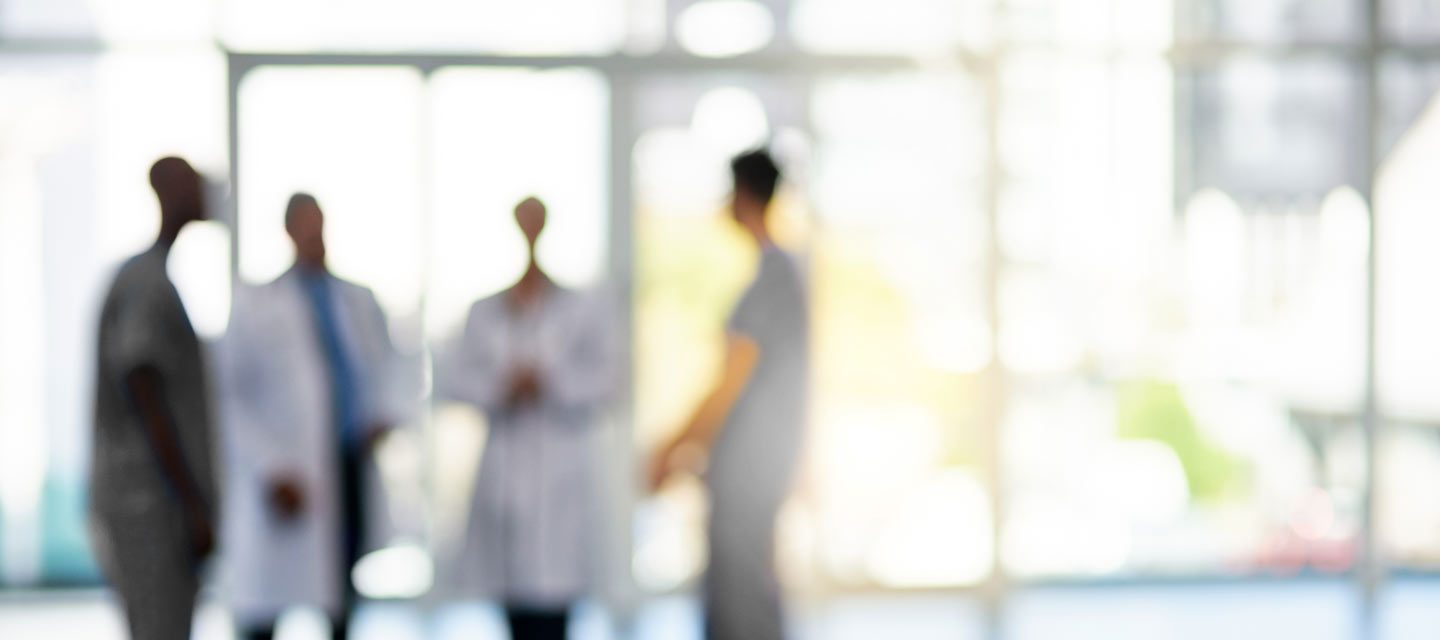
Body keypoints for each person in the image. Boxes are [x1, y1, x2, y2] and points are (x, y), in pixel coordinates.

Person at [219, 193, 406, 640]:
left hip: (345, 460)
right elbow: (231, 397)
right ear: (287, 230)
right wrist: (270, 468)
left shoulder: (357, 300)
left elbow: (387, 367)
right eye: (304, 224)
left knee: (341, 592)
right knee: (266, 604)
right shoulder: (256, 303)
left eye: (319, 223)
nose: (314, 234)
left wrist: (380, 417)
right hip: (287, 472)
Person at [437, 197, 616, 640]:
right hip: (505, 472)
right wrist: (502, 386)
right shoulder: (486, 309)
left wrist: (552, 383)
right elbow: (456, 380)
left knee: (555, 607)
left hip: (561, 471)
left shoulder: (579, 307)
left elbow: (609, 381)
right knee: (513, 604)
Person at [647, 149, 809, 640]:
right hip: (752, 461)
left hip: (751, 464)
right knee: (741, 592)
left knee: (742, 603)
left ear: (742, 196)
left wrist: (674, 446)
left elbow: (730, 379)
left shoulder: (773, 275)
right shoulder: (777, 272)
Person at [90, 156, 220, 640]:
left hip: (153, 499)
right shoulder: (145, 283)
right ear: (166, 189)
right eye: (193, 180)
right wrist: (191, 501)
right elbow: (143, 386)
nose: (206, 190)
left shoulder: (155, 278)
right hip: (149, 501)